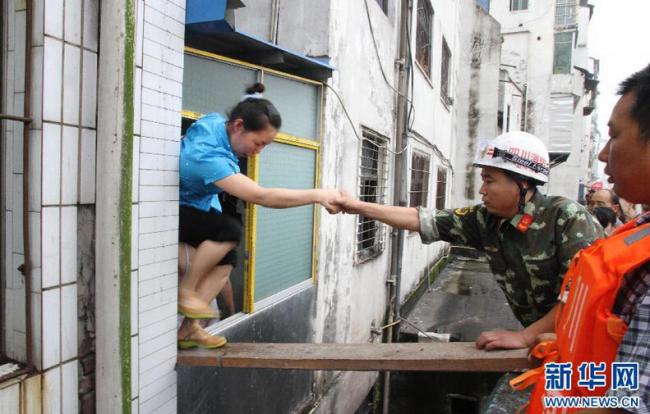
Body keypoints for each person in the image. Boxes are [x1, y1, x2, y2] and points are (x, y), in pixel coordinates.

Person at [332, 131, 603, 350]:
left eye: (490, 180)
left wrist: (525, 337)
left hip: (592, 347)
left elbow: (582, 298)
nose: (482, 190)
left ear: (522, 184)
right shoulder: (485, 220)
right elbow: (421, 219)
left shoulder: (566, 218)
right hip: (549, 344)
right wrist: (357, 206)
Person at [513, 63, 650, 413]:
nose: (604, 154)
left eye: (615, 136)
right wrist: (568, 346)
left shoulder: (565, 216)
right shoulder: (639, 231)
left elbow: (625, 406)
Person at [177, 83, 340, 349]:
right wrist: (318, 195)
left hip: (197, 207)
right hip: (173, 208)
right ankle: (187, 293)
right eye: (258, 142)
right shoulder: (207, 157)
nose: (259, 151)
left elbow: (236, 114)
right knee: (229, 230)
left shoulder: (219, 124)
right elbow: (261, 197)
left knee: (228, 257)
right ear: (239, 126)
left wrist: (252, 98)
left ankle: (189, 329)